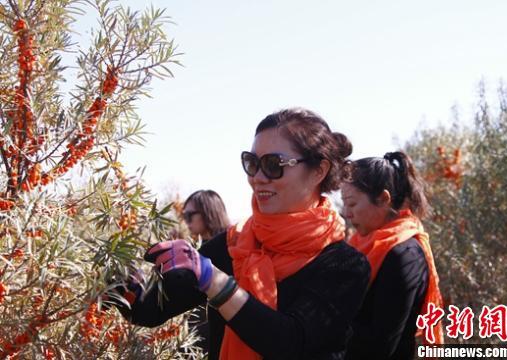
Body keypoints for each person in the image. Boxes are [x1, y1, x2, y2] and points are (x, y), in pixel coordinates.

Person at [111, 108, 371, 360]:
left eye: (273, 164)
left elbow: (291, 343)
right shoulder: (232, 244)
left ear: (318, 171)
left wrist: (217, 283)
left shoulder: (345, 266)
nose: (257, 177)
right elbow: (149, 310)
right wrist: (114, 277)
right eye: (252, 163)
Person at [340, 151, 444, 360]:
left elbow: (380, 345)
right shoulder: (360, 246)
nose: (346, 212)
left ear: (383, 199)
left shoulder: (404, 256)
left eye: (352, 203)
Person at [181, 190, 231, 353]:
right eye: (183, 216)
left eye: (189, 215)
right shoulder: (198, 251)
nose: (185, 221)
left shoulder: (228, 251)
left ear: (208, 212)